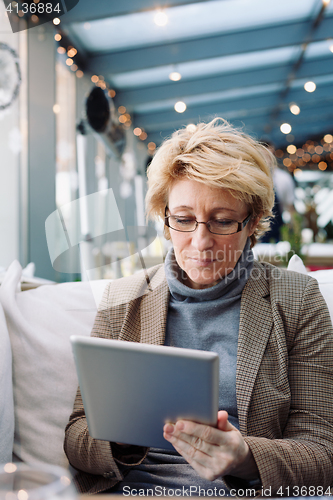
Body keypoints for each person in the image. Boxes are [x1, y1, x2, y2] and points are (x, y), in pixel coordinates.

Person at [64, 118, 333, 496]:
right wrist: (122, 440)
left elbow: (323, 452)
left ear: (252, 222)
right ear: (165, 219)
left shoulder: (296, 300)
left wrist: (245, 457)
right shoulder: (123, 299)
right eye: (184, 220)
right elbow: (77, 436)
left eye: (222, 222)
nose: (201, 242)